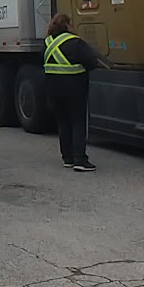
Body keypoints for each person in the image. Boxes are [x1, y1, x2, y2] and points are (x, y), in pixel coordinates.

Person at [43, 12, 99, 171]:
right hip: (75, 89)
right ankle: (80, 159)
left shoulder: (47, 43)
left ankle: (67, 158)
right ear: (67, 25)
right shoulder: (75, 42)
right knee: (78, 122)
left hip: (53, 89)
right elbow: (92, 62)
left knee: (63, 123)